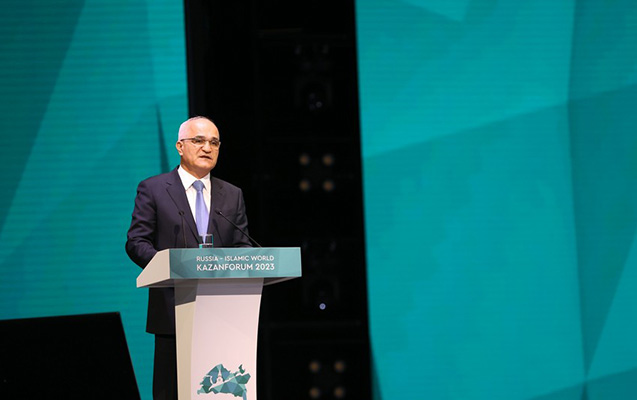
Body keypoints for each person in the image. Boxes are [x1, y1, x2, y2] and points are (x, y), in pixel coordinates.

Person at [126, 116, 252, 399]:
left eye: (214, 142)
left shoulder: (232, 195)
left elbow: (242, 247)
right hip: (173, 312)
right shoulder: (153, 189)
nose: (207, 147)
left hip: (223, 316)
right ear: (180, 146)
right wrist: (168, 266)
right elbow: (136, 242)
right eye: (199, 140)